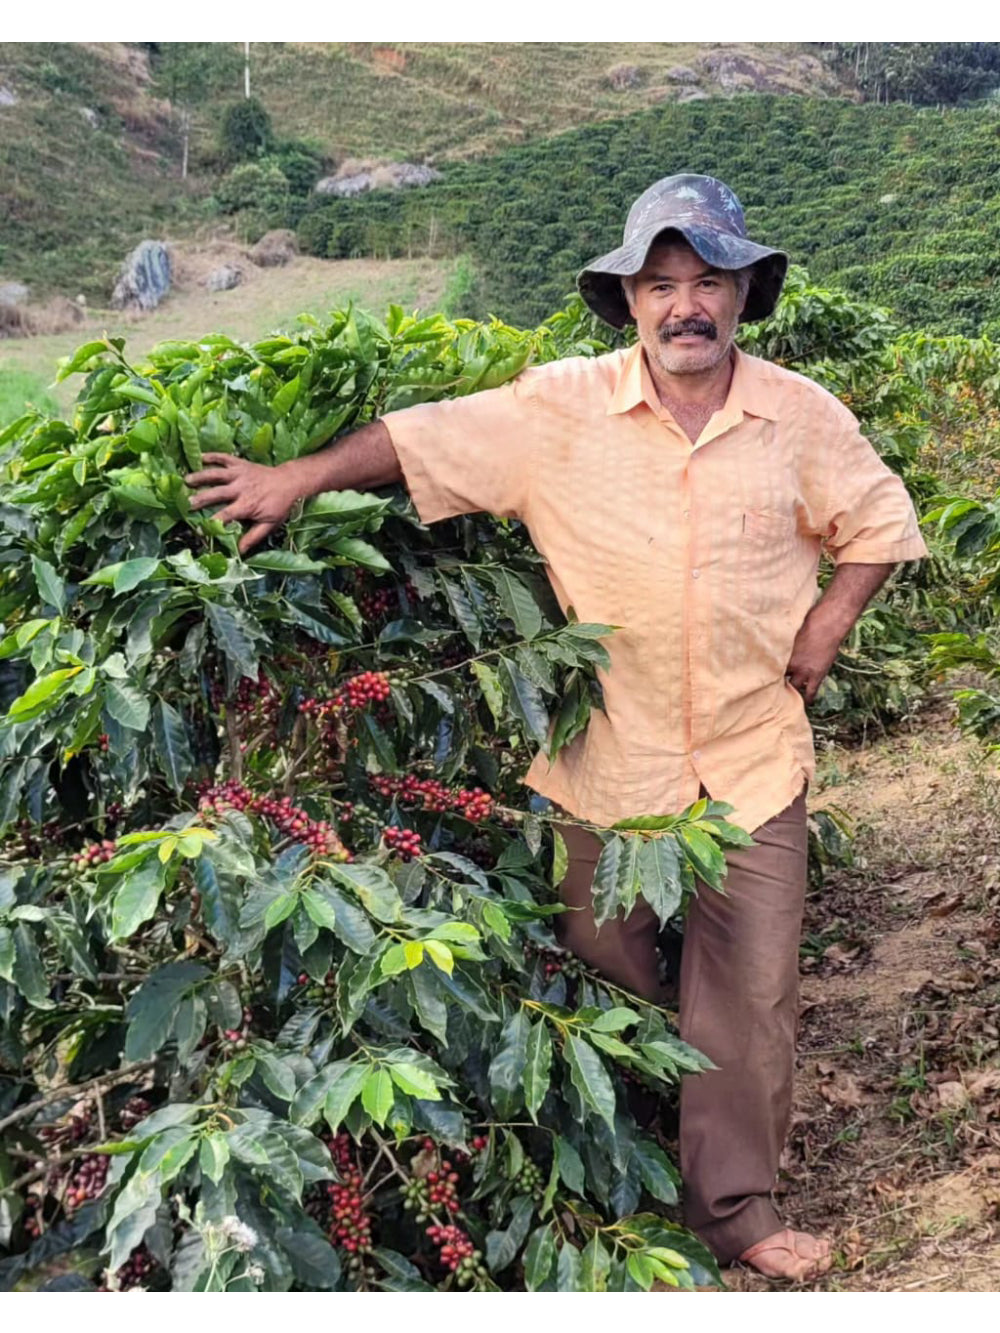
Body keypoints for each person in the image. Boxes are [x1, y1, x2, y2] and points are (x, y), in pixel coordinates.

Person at [186, 174, 928, 1282]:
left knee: (750, 987)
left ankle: (734, 1206)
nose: (686, 305)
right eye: (662, 283)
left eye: (708, 282)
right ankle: (627, 1156)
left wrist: (825, 625)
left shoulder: (800, 414)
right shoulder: (559, 407)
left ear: (743, 295)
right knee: (604, 969)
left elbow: (877, 521)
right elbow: (422, 437)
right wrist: (296, 477)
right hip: (603, 766)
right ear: (628, 300)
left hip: (749, 756)